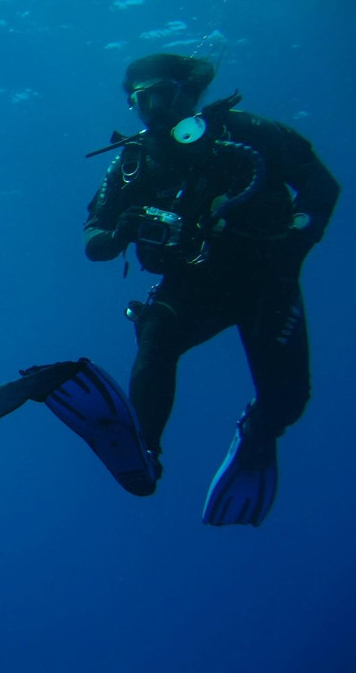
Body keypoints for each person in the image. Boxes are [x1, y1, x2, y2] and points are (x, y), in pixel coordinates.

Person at [78, 53, 340, 526]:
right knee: (156, 330)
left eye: (161, 95)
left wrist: (295, 243)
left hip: (268, 280)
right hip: (195, 283)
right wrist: (117, 236)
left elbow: (321, 186)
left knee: (287, 401)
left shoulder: (249, 134)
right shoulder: (132, 164)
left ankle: (257, 435)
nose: (152, 109)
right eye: (140, 100)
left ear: (188, 94)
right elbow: (93, 234)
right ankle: (144, 450)